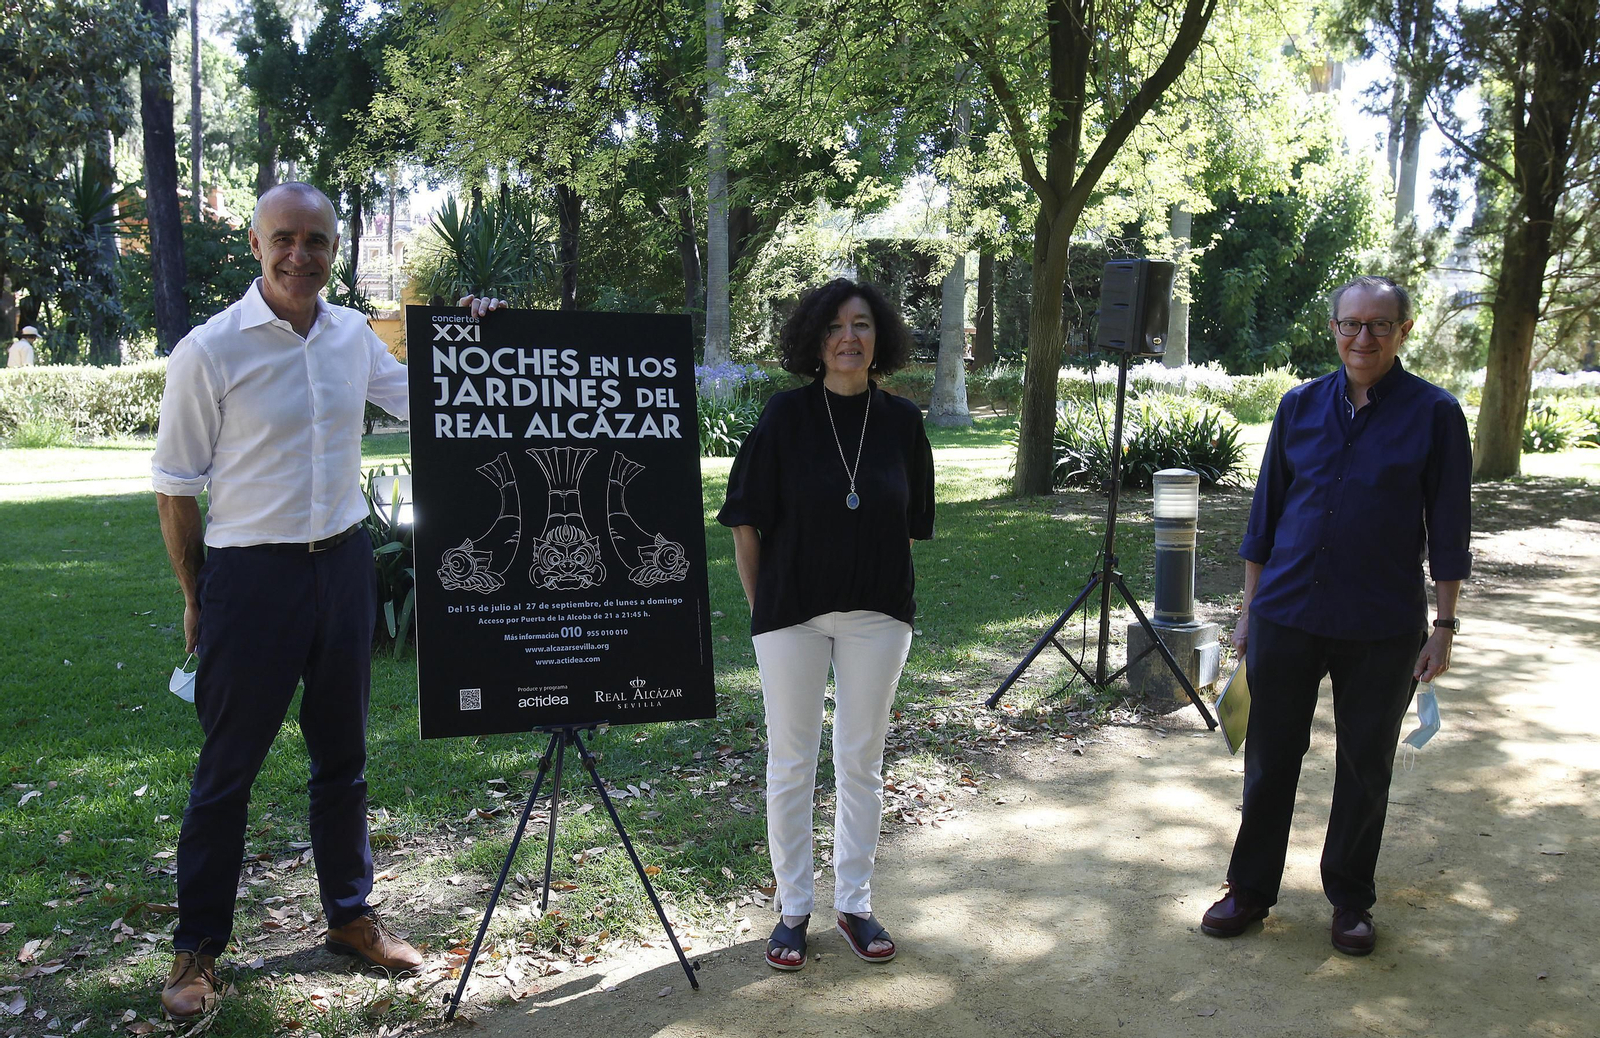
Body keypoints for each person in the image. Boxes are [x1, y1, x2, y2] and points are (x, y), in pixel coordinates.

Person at [150, 184, 506, 1018]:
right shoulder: (208, 351)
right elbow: (174, 490)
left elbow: (428, 396)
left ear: (333, 247)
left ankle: (349, 916)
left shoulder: (350, 335)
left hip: (343, 566)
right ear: (255, 243)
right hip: (250, 579)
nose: (300, 254)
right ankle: (197, 947)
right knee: (226, 772)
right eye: (285, 238)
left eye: (316, 239)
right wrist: (198, 595)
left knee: (342, 759)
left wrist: (474, 330)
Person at [1201, 275, 1472, 956]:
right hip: (1287, 612)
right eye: (1351, 324)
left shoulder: (1435, 415)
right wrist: (1248, 613)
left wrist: (1443, 627)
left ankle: (1350, 898)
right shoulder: (1298, 407)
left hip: (1382, 623)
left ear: (1404, 331)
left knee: (1365, 764)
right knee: (1267, 757)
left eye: (1380, 325)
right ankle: (1249, 890)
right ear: (1333, 329)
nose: (1363, 337)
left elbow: (1448, 528)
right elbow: (1265, 518)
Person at [718, 278, 935, 970]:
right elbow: (744, 523)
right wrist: (763, 609)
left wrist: (881, 592)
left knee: (861, 763)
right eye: (837, 326)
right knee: (791, 765)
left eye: (863, 325)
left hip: (878, 618)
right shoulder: (784, 417)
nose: (850, 337)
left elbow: (905, 528)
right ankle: (791, 909)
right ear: (816, 339)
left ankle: (856, 903)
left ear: (881, 339)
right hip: (792, 619)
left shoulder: (902, 423)